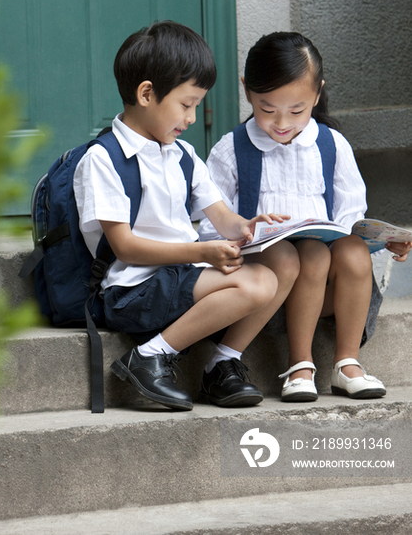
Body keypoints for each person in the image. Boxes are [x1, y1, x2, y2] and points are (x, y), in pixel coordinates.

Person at [73, 21, 300, 411]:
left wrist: (246, 227)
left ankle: (221, 363)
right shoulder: (103, 159)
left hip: (177, 277)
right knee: (258, 283)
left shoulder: (181, 155)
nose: (192, 117)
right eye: (186, 104)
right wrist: (204, 252)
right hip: (129, 290)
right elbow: (125, 247)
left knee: (278, 267)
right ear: (147, 94)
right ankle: (148, 357)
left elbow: (222, 216)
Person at [199, 31, 411, 402]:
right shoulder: (231, 150)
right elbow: (208, 227)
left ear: (317, 94)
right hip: (265, 291)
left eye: (297, 111)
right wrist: (244, 237)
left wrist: (382, 239)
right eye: (267, 109)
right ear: (247, 90)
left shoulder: (331, 144)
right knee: (307, 253)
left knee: (351, 250)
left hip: (325, 292)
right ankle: (300, 365)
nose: (282, 122)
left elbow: (351, 218)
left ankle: (347, 363)